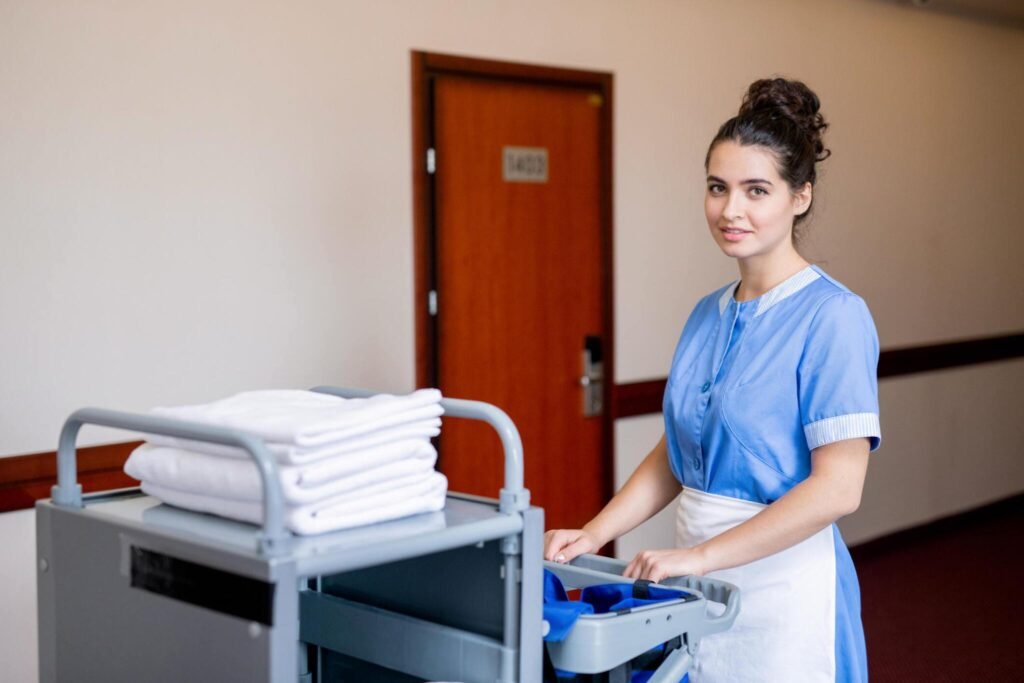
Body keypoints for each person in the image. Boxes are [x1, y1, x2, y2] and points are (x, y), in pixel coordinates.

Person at [544, 77, 880, 683]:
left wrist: (698, 556)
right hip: (697, 579)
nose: (731, 210)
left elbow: (838, 491)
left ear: (800, 197)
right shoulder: (708, 313)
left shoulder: (834, 316)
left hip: (784, 588)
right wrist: (594, 533)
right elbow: (679, 451)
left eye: (757, 190)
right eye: (717, 188)